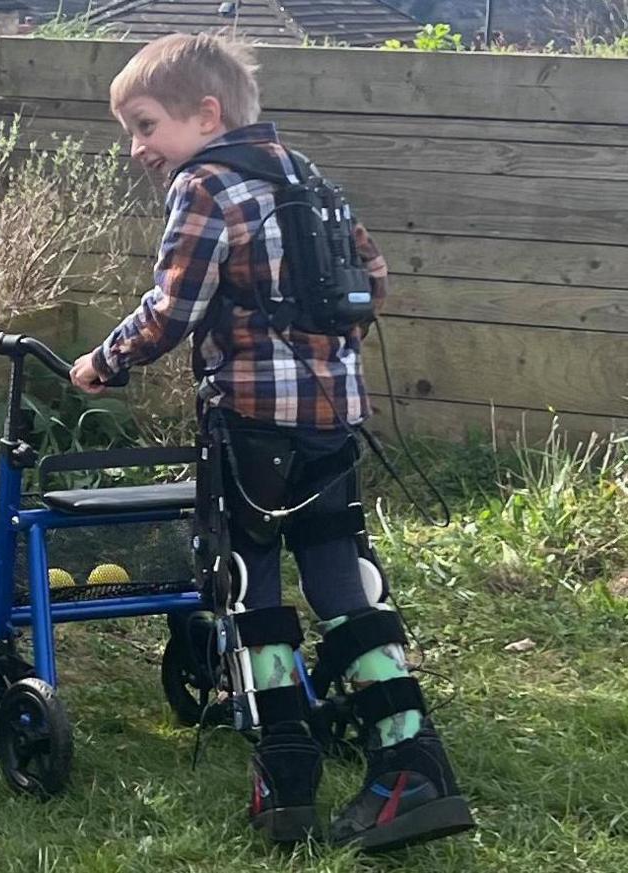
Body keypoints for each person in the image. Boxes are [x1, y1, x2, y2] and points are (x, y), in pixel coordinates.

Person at [68, 34, 472, 852]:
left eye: (146, 126)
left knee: (250, 583)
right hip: (331, 421)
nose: (137, 148)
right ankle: (409, 764)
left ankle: (286, 773)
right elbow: (374, 282)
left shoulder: (206, 184)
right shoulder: (307, 174)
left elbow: (174, 308)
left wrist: (102, 363)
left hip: (251, 426)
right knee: (341, 578)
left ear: (206, 114)